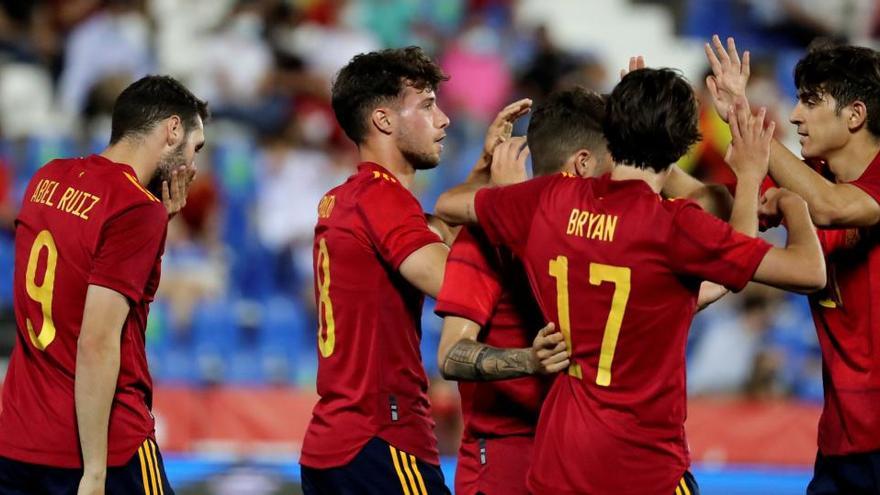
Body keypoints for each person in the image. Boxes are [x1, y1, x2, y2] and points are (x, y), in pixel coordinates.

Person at [435, 67, 826, 495]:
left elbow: (449, 203)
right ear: (681, 147)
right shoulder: (673, 226)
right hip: (642, 460)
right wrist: (775, 192)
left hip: (561, 455)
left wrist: (500, 184)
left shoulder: (549, 199)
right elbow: (808, 271)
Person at [299, 46, 551, 495]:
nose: (445, 119)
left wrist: (481, 175)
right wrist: (514, 207)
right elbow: (456, 281)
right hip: (383, 438)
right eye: (428, 105)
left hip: (333, 445)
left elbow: (438, 236)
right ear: (384, 120)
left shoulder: (351, 197)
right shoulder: (383, 199)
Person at [0, 75, 207, 495]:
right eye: (195, 146)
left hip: (18, 439)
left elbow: (72, 280)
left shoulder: (46, 179)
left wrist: (156, 227)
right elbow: (95, 340)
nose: (194, 164)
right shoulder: (134, 208)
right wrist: (94, 471)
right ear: (171, 130)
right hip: (104, 447)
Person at [705, 35, 880, 494]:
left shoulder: (856, 185)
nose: (795, 116)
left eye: (809, 102)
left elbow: (830, 207)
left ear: (855, 115)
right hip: (842, 439)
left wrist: (747, 115)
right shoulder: (811, 180)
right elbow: (718, 209)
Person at [434, 87, 606, 495]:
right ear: (582, 165)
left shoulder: (602, 241)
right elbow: (450, 354)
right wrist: (530, 359)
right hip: (506, 462)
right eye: (611, 166)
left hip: (578, 457)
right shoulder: (484, 239)